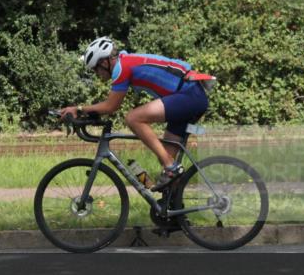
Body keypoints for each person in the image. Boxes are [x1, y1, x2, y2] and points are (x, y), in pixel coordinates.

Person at [58, 37, 214, 191]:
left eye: (95, 68)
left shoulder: (122, 68)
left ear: (104, 62)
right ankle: (173, 210)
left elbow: (111, 106)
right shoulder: (126, 62)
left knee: (133, 118)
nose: (96, 73)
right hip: (189, 94)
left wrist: (78, 109)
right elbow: (109, 106)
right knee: (165, 158)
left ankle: (171, 167)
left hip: (189, 95)